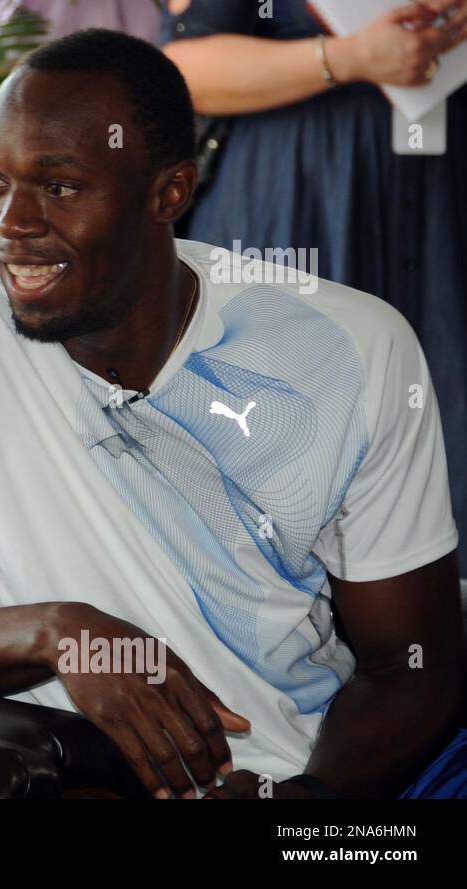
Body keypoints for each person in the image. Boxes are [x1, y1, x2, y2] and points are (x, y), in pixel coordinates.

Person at [0, 28, 466, 799]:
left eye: (58, 187)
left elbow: (413, 667)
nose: (9, 224)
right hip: (68, 775)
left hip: (318, 783)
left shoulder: (351, 348)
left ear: (170, 193)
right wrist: (62, 634)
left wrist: (304, 805)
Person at [161, 0, 467, 574]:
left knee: (446, 407)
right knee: (291, 421)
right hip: (300, 192)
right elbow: (186, 70)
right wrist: (349, 57)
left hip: (441, 196)